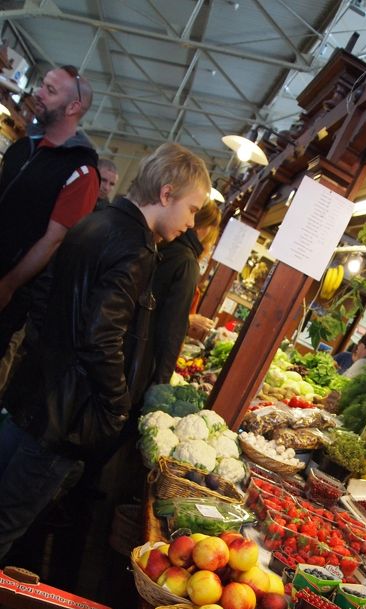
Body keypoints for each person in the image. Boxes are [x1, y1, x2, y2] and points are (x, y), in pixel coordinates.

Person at [0, 142, 211, 562]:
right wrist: (116, 406)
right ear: (166, 195)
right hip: (64, 415)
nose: (190, 225)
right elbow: (102, 337)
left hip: (32, 392)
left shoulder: (93, 221)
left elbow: (45, 299)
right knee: (8, 521)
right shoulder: (137, 248)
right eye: (191, 209)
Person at [0, 65, 99, 356]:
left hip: (11, 295)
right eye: (43, 85)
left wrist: (8, 285)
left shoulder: (81, 171)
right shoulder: (22, 148)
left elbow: (53, 240)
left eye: (50, 90)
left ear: (74, 106)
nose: (39, 94)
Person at [149, 197, 221, 384]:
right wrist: (160, 384)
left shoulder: (166, 245)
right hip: (150, 357)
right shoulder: (187, 262)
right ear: (204, 228)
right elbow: (171, 329)